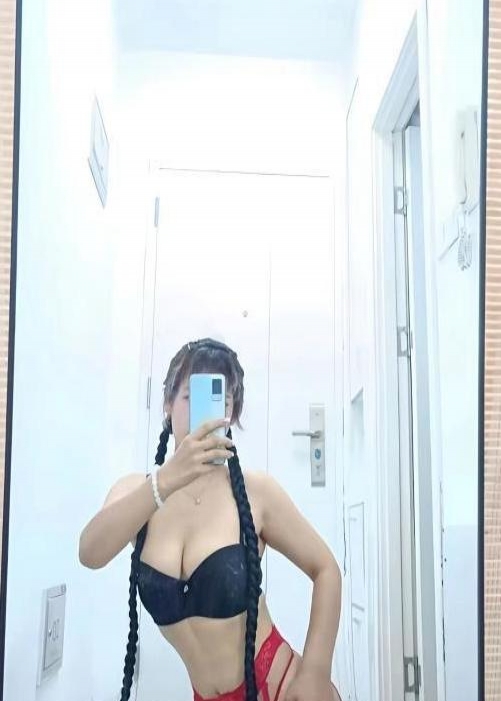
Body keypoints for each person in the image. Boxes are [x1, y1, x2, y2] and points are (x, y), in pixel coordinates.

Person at [79, 338, 343, 701]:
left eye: (223, 401)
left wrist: (315, 673)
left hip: (281, 686)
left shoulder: (255, 492)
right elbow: (90, 553)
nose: (204, 414)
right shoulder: (135, 492)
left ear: (230, 415)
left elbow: (326, 568)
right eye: (190, 397)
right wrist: (165, 481)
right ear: (168, 404)